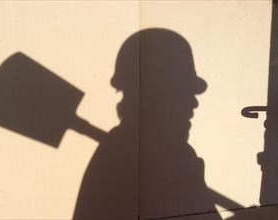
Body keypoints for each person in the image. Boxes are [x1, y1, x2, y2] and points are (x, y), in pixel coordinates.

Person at [73, 28, 221, 219]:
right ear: (157, 92)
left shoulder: (172, 155)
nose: (194, 103)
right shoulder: (151, 156)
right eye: (183, 91)